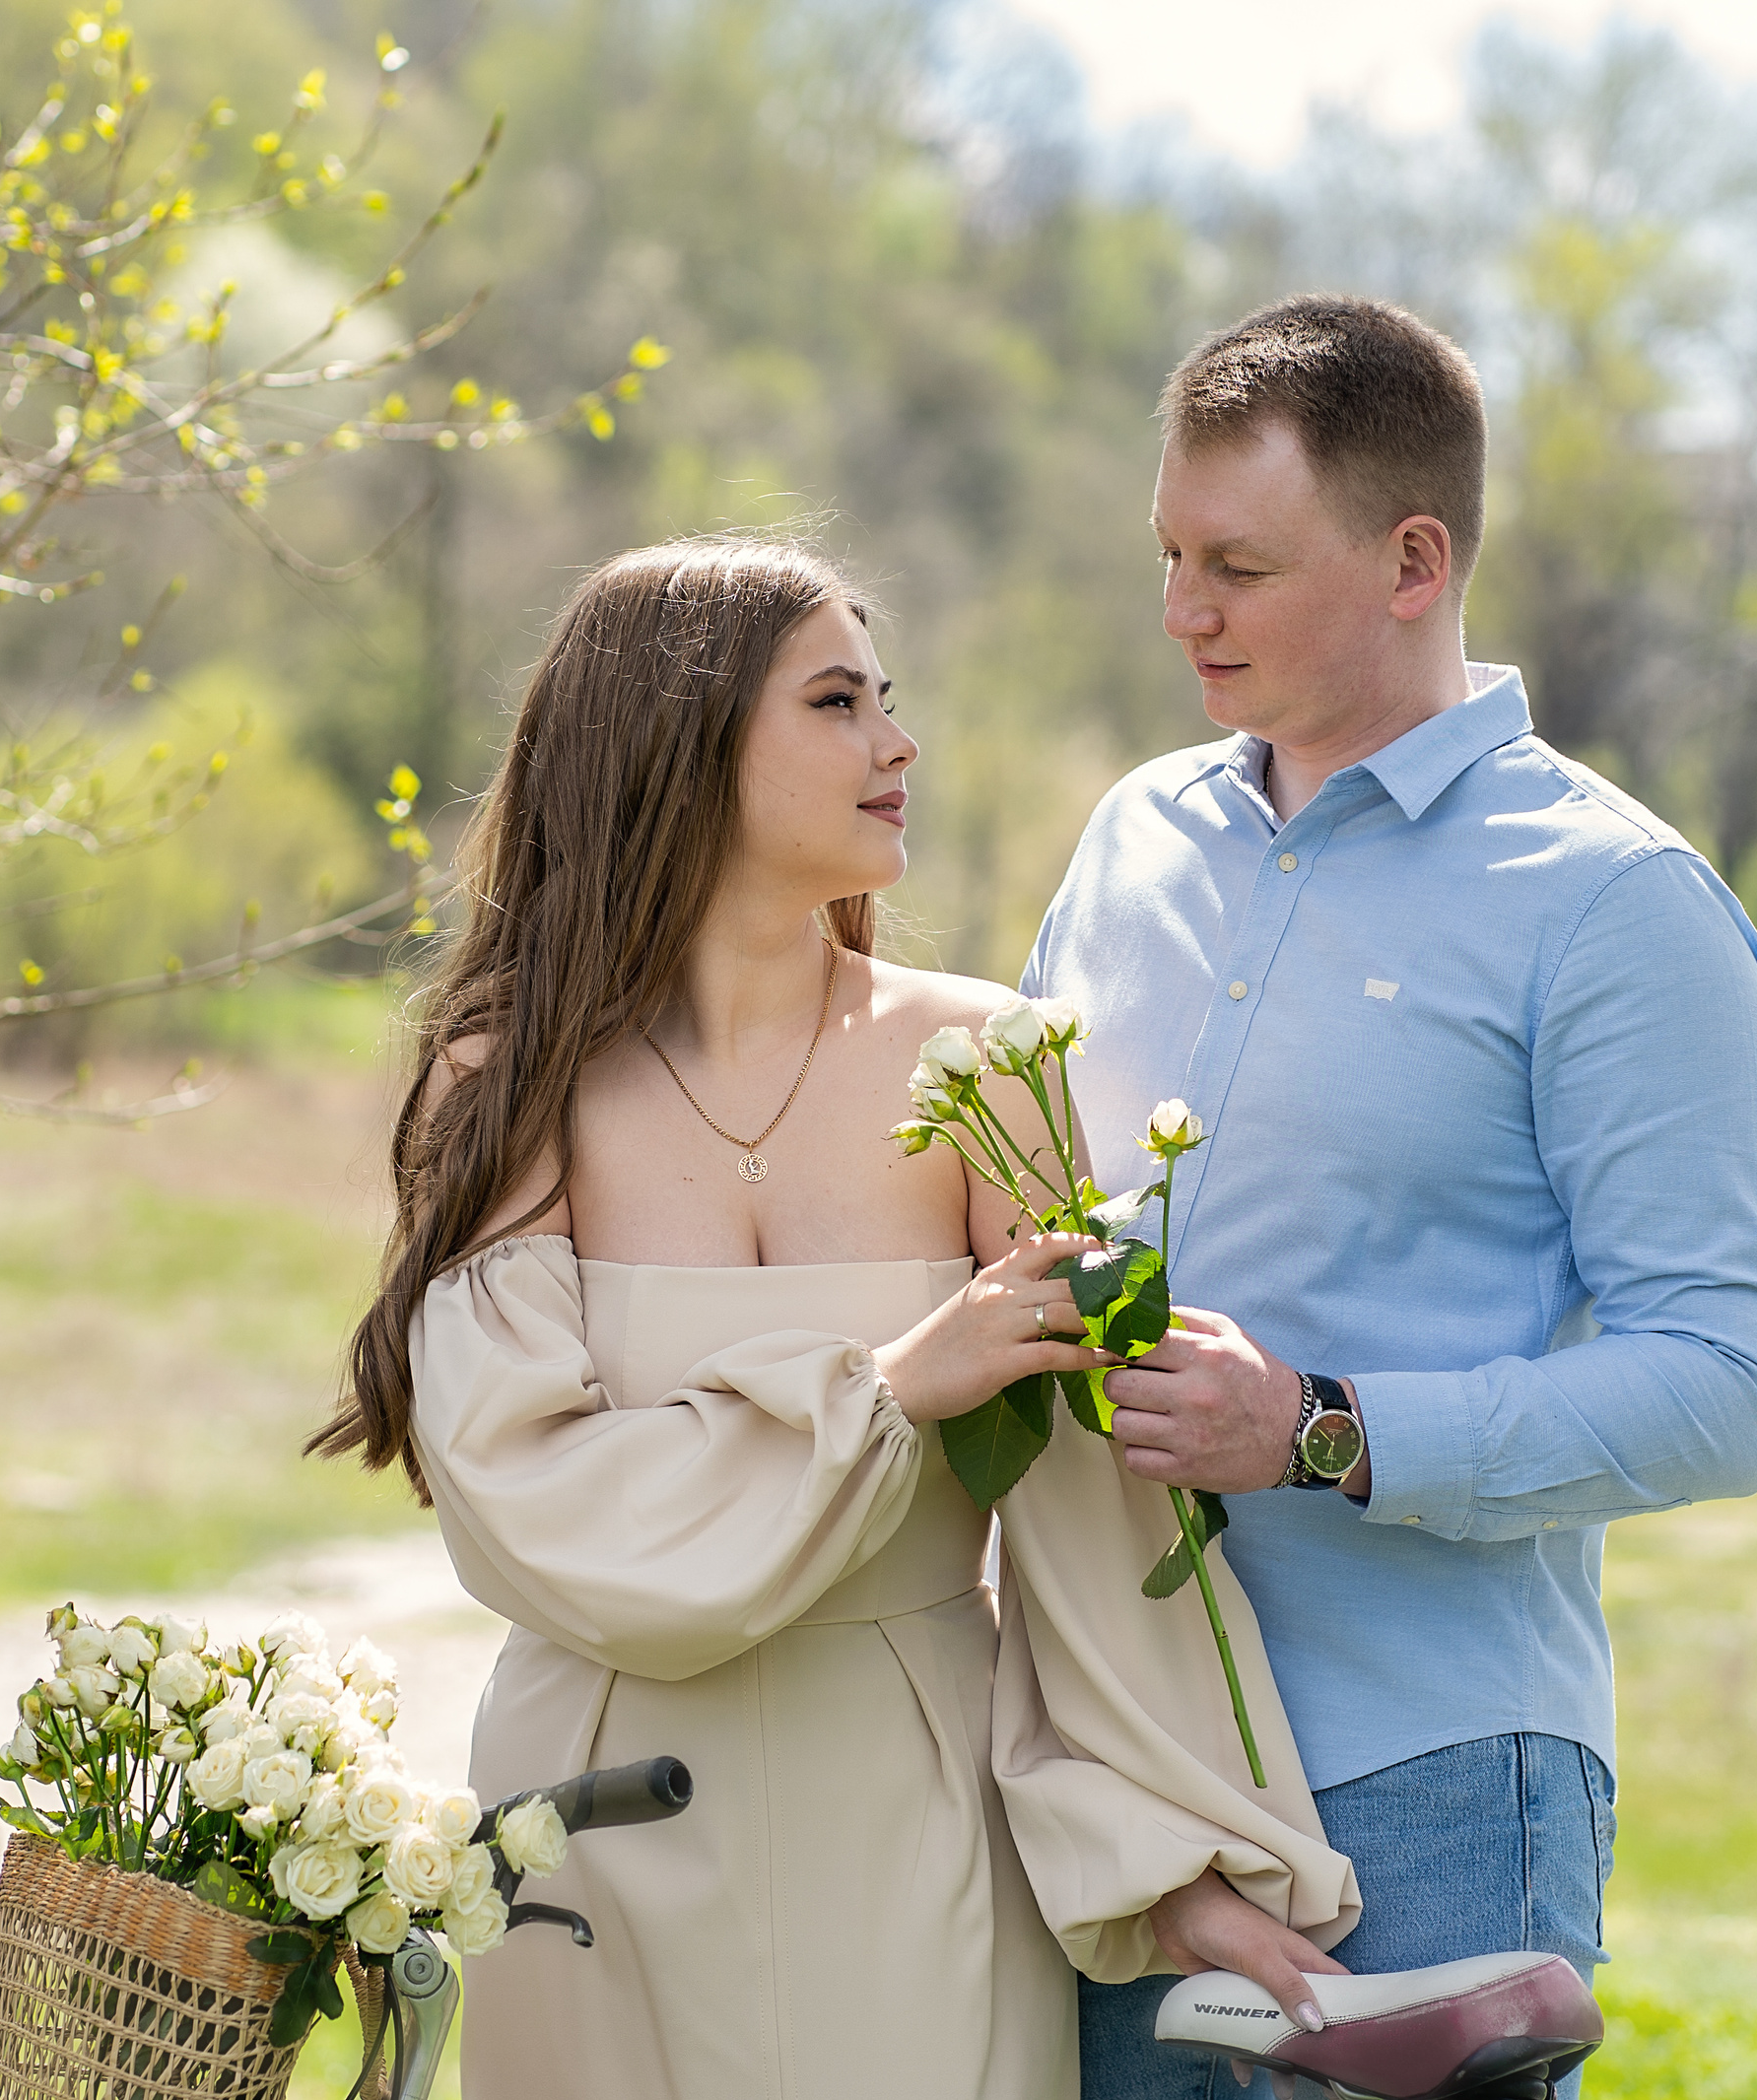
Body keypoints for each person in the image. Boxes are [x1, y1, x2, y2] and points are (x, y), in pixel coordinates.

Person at [315, 538, 1356, 2100]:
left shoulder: (990, 1064)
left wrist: (1173, 1857)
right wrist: (892, 1387)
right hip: (593, 1818)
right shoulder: (509, 1077)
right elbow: (525, 1498)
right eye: (836, 702)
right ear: (679, 745)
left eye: (888, 698)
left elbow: (1089, 1513)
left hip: (914, 1804)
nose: (898, 743)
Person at [995, 296, 1757, 2096]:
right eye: (1169, 555)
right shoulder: (1130, 839)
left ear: (1414, 562)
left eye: (1239, 567)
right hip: (1120, 1788)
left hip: (1423, 1781)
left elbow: (1728, 1383)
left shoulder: (1615, 904)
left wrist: (1320, 1429)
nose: (1182, 610)